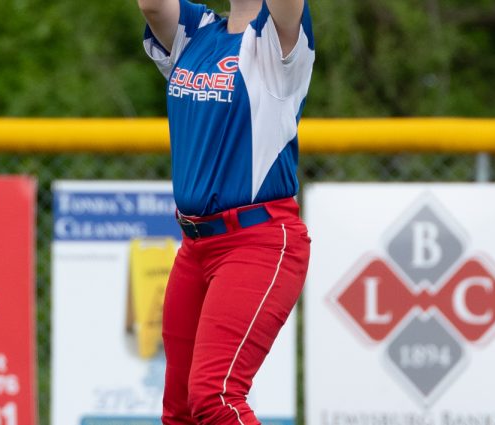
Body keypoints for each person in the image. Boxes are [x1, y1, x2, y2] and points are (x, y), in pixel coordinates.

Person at [137, 0, 315, 423]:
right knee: (179, 412)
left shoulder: (273, 38)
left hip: (259, 241)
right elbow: (151, 4)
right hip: (196, 247)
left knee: (216, 396)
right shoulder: (197, 30)